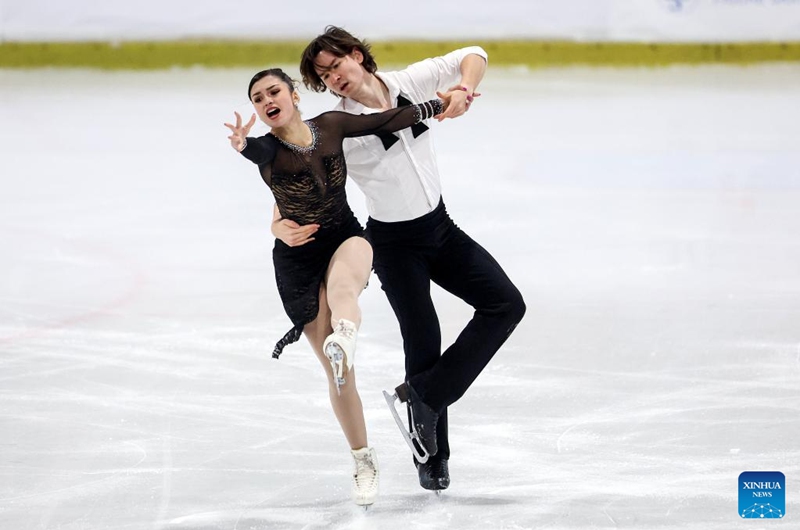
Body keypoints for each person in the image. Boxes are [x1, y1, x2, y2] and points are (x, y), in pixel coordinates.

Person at [272, 26, 527, 492]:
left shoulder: (411, 80)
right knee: (424, 341)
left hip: (441, 229)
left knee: (506, 305)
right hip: (393, 245)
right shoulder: (338, 125)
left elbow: (474, 52)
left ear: (356, 55)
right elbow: (296, 172)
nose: (334, 79)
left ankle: (424, 396)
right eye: (324, 77)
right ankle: (431, 458)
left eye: (336, 66)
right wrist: (277, 222)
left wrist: (464, 90)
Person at [223, 68, 452, 506]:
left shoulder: (330, 125)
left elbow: (385, 121)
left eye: (274, 91)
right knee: (340, 377)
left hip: (346, 236)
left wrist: (437, 106)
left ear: (293, 95)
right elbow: (252, 151)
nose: (266, 100)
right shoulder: (266, 149)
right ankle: (363, 459)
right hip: (298, 260)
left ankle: (343, 336)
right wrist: (243, 146)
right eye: (257, 98)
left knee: (345, 289)